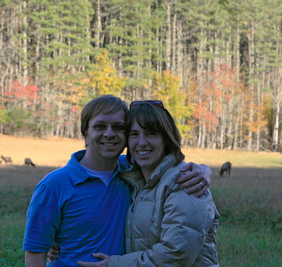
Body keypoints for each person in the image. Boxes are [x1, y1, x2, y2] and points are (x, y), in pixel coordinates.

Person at [23, 95, 212, 267]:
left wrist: (203, 169)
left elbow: (177, 251)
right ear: (85, 134)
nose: (109, 133)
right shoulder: (54, 186)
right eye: (100, 127)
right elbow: (34, 253)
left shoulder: (133, 174)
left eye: (119, 127)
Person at [77, 100, 219, 267]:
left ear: (167, 138)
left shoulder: (186, 182)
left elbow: (176, 255)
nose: (142, 142)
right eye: (134, 134)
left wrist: (114, 264)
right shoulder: (132, 179)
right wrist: (61, 238)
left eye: (151, 134)